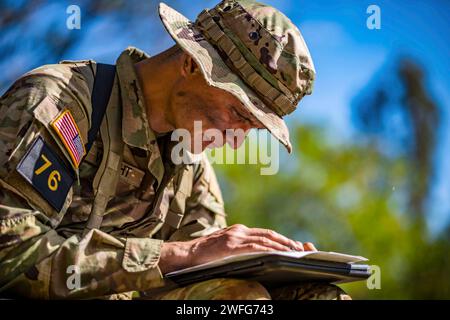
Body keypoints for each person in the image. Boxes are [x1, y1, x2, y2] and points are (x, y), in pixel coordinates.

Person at [0, 0, 350, 300]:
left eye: (253, 128)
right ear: (192, 63)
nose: (237, 141)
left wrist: (279, 267)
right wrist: (185, 254)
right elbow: (10, 251)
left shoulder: (191, 165)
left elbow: (207, 278)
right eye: (239, 115)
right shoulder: (62, 105)